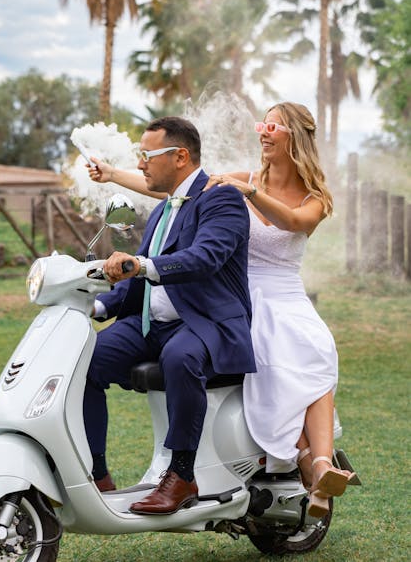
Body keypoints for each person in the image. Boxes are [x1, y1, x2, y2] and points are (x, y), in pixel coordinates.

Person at [85, 102, 354, 517]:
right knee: (86, 360)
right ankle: (95, 474)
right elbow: (174, 187)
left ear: (295, 135)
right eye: (260, 124)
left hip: (265, 297)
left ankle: (315, 463)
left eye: (272, 126)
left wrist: (249, 191)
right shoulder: (232, 183)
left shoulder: (289, 194)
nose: (262, 132)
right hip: (227, 293)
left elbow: (294, 222)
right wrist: (112, 174)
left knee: (310, 361)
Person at [83, 116, 256, 515]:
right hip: (150, 324)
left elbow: (204, 258)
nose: (141, 164)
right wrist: (96, 306)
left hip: (205, 322)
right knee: (81, 357)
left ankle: (181, 475)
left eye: (147, 155)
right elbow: (139, 275)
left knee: (181, 358)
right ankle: (97, 474)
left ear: (180, 156)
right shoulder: (165, 209)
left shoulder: (222, 198)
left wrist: (140, 265)